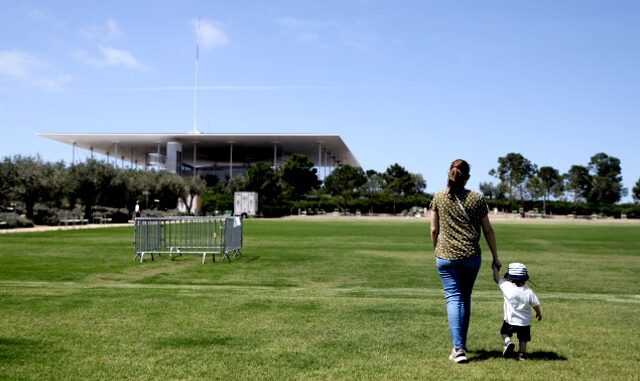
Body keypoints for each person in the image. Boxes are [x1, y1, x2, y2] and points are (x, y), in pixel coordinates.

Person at [430, 159, 501, 364]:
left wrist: (436, 248)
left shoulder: (439, 197)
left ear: (449, 174)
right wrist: (496, 257)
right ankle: (460, 345)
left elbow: (434, 230)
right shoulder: (476, 198)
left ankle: (458, 348)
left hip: (445, 257)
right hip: (471, 257)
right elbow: (487, 230)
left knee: (453, 298)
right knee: (465, 298)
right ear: (467, 177)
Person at [492, 262, 542, 361]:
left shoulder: (506, 286)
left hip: (510, 320)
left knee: (504, 332)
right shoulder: (528, 291)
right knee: (523, 339)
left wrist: (495, 268)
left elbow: (496, 278)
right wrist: (538, 313)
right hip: (524, 322)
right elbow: (535, 304)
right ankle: (522, 354)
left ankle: (508, 342)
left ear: (509, 277)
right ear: (525, 278)